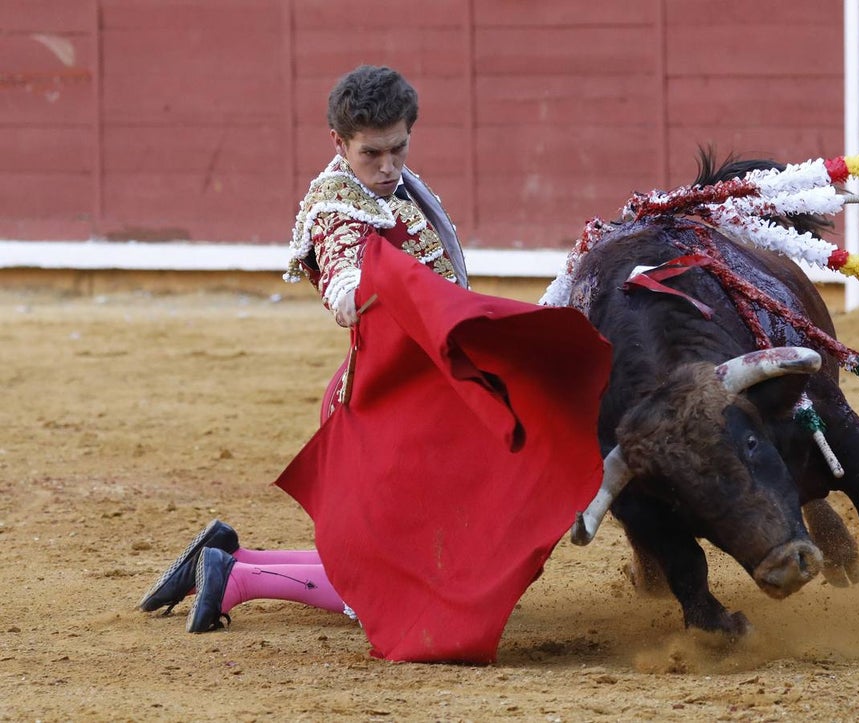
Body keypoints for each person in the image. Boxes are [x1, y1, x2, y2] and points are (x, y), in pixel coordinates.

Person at [137, 65, 612, 663]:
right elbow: (343, 281)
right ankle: (236, 575)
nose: (387, 167)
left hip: (427, 397)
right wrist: (362, 288)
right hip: (390, 409)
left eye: (398, 149)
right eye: (372, 154)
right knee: (402, 581)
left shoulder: (390, 187)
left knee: (408, 559)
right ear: (339, 142)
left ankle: (233, 565)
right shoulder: (340, 210)